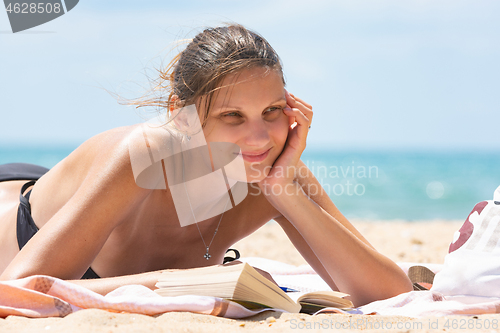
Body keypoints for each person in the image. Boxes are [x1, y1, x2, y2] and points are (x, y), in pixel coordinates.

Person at [0, 24, 412, 306]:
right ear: (183, 117)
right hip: (15, 201)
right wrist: (165, 282)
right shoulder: (144, 156)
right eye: (232, 117)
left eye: (271, 111)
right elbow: (16, 289)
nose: (258, 138)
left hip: (76, 192)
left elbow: (389, 292)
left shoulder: (275, 169)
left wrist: (282, 192)